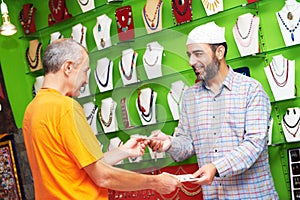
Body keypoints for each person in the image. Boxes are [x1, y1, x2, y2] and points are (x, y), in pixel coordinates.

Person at [22, 38, 180, 200]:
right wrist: (155, 182)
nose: (85, 80)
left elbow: (80, 166)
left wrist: (123, 151)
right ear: (68, 67)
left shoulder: (32, 110)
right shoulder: (65, 108)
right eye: (84, 71)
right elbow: (103, 176)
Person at [148, 21, 279, 199]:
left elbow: (254, 144)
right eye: (189, 55)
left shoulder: (251, 90)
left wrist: (217, 167)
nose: (191, 61)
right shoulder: (189, 97)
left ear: (219, 52)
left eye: (198, 54)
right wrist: (169, 143)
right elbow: (186, 145)